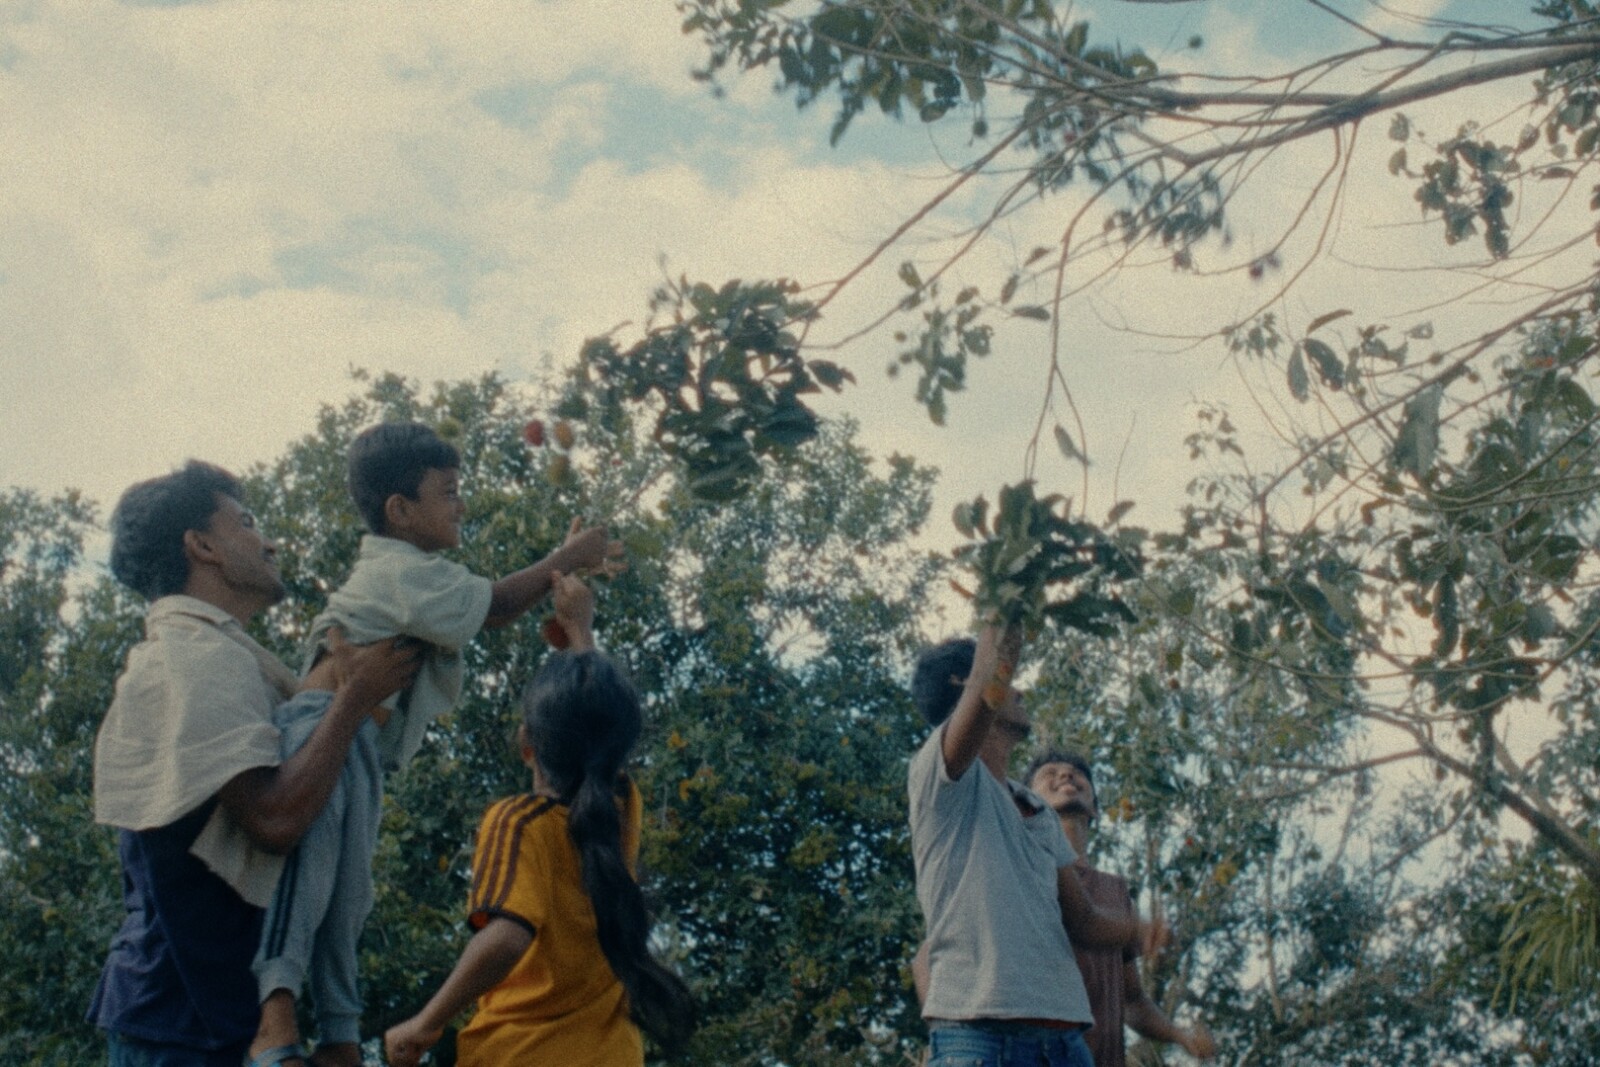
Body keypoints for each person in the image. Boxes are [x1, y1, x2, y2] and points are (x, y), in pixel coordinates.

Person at [246, 422, 626, 1067]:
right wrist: (565, 559)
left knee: (349, 896)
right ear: (400, 510)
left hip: (360, 745)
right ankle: (273, 1021)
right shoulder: (399, 572)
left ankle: (340, 1036)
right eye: (448, 492)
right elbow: (500, 604)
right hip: (321, 727)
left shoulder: (423, 574)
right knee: (307, 878)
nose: (462, 505)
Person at [89, 460, 419, 1067]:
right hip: (181, 1022)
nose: (268, 542)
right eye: (245, 523)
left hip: (210, 1018)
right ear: (203, 546)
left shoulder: (226, 656)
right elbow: (274, 820)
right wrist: (352, 700)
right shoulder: (192, 657)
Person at [384, 572, 695, 1067]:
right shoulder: (621, 812)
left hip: (522, 1054)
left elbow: (507, 937)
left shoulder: (519, 823)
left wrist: (427, 1021)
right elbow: (600, 726)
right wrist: (581, 631)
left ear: (526, 742)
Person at [908, 625, 1166, 1067]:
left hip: (1064, 1044)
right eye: (1009, 678)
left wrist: (1139, 931)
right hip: (980, 1041)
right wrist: (1010, 598)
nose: (1020, 690)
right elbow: (989, 670)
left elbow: (1082, 919)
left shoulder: (1036, 808)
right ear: (965, 682)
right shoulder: (942, 776)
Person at [1026, 751, 1217, 1066]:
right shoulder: (1023, 872)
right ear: (1028, 805)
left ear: (1095, 809)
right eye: (1050, 773)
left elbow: (1131, 1000)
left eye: (1077, 773)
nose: (1066, 775)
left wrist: (1180, 1036)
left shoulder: (1113, 890)